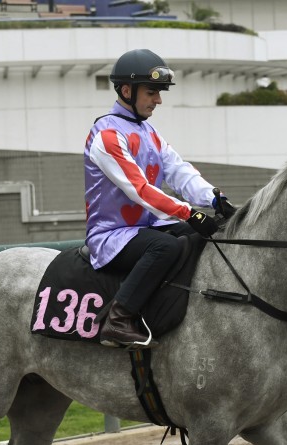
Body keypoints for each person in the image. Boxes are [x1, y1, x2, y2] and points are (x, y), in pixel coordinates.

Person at [84, 48, 236, 348]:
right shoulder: (106, 135)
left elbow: (179, 170)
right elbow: (139, 189)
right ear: (127, 91)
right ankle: (118, 318)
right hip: (111, 235)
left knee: (205, 234)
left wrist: (214, 198)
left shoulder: (149, 132)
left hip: (145, 227)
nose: (158, 100)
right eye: (152, 92)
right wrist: (189, 212)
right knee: (166, 247)